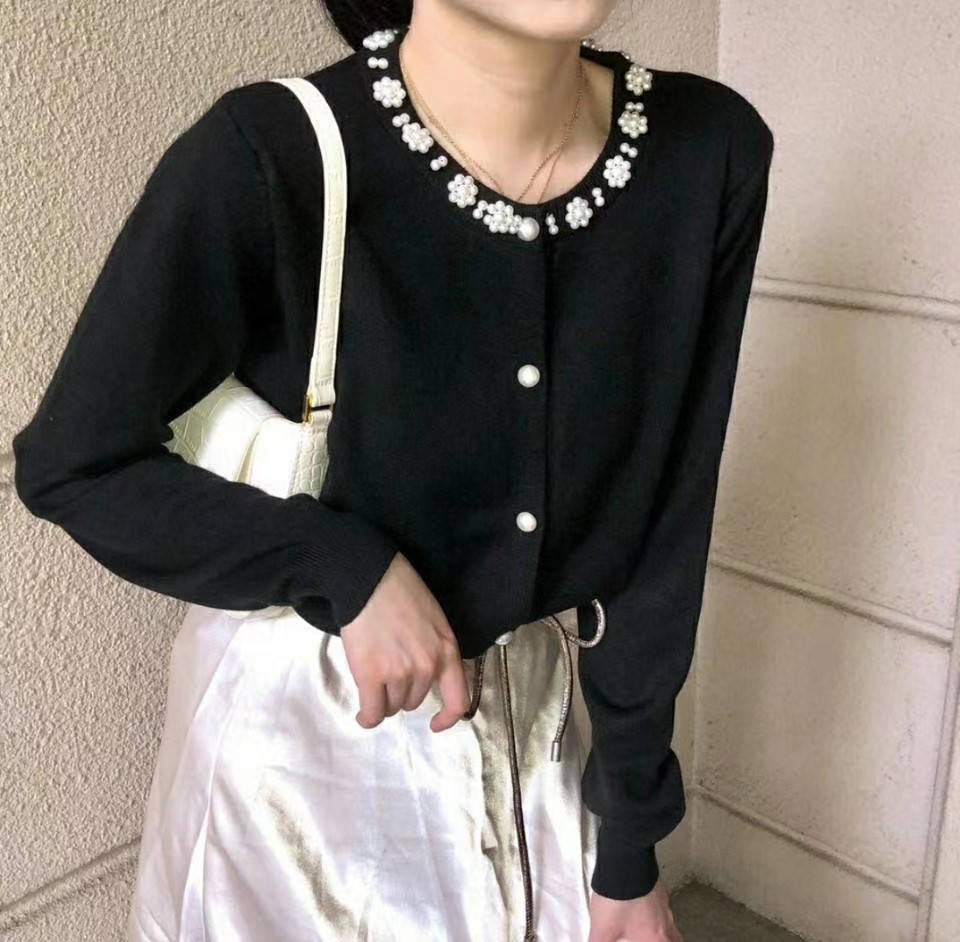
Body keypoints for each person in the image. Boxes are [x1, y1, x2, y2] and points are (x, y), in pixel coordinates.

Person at [11, 1, 774, 940]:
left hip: (539, 757)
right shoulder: (275, 152)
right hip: (298, 781)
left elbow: (662, 531)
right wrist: (337, 561)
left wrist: (630, 846)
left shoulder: (706, 153)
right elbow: (74, 464)